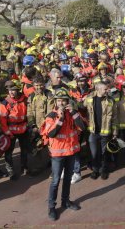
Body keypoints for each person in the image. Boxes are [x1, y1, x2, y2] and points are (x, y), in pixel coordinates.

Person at [41, 89, 85, 221]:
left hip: (71, 152)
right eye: (59, 100)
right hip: (58, 154)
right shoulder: (51, 116)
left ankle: (66, 201)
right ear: (55, 102)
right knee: (55, 181)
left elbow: (82, 127)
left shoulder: (72, 113)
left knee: (67, 179)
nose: (61, 103)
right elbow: (51, 134)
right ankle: (51, 207)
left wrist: (73, 112)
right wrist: (60, 118)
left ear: (67, 101)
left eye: (64, 100)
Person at [84, 81, 118, 179]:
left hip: (105, 131)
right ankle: (95, 170)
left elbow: (114, 118)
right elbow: (82, 105)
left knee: (104, 153)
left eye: (107, 89)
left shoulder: (110, 101)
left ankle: (104, 170)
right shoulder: (90, 99)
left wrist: (115, 132)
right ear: (98, 89)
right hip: (93, 131)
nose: (107, 91)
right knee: (94, 153)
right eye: (105, 89)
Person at [0, 80, 29, 180]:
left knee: (24, 150)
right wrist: (8, 132)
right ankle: (10, 171)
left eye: (14, 90)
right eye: (10, 90)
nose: (11, 92)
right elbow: (2, 120)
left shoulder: (25, 100)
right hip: (11, 131)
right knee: (8, 152)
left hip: (23, 129)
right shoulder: (5, 103)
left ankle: (24, 166)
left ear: (18, 90)